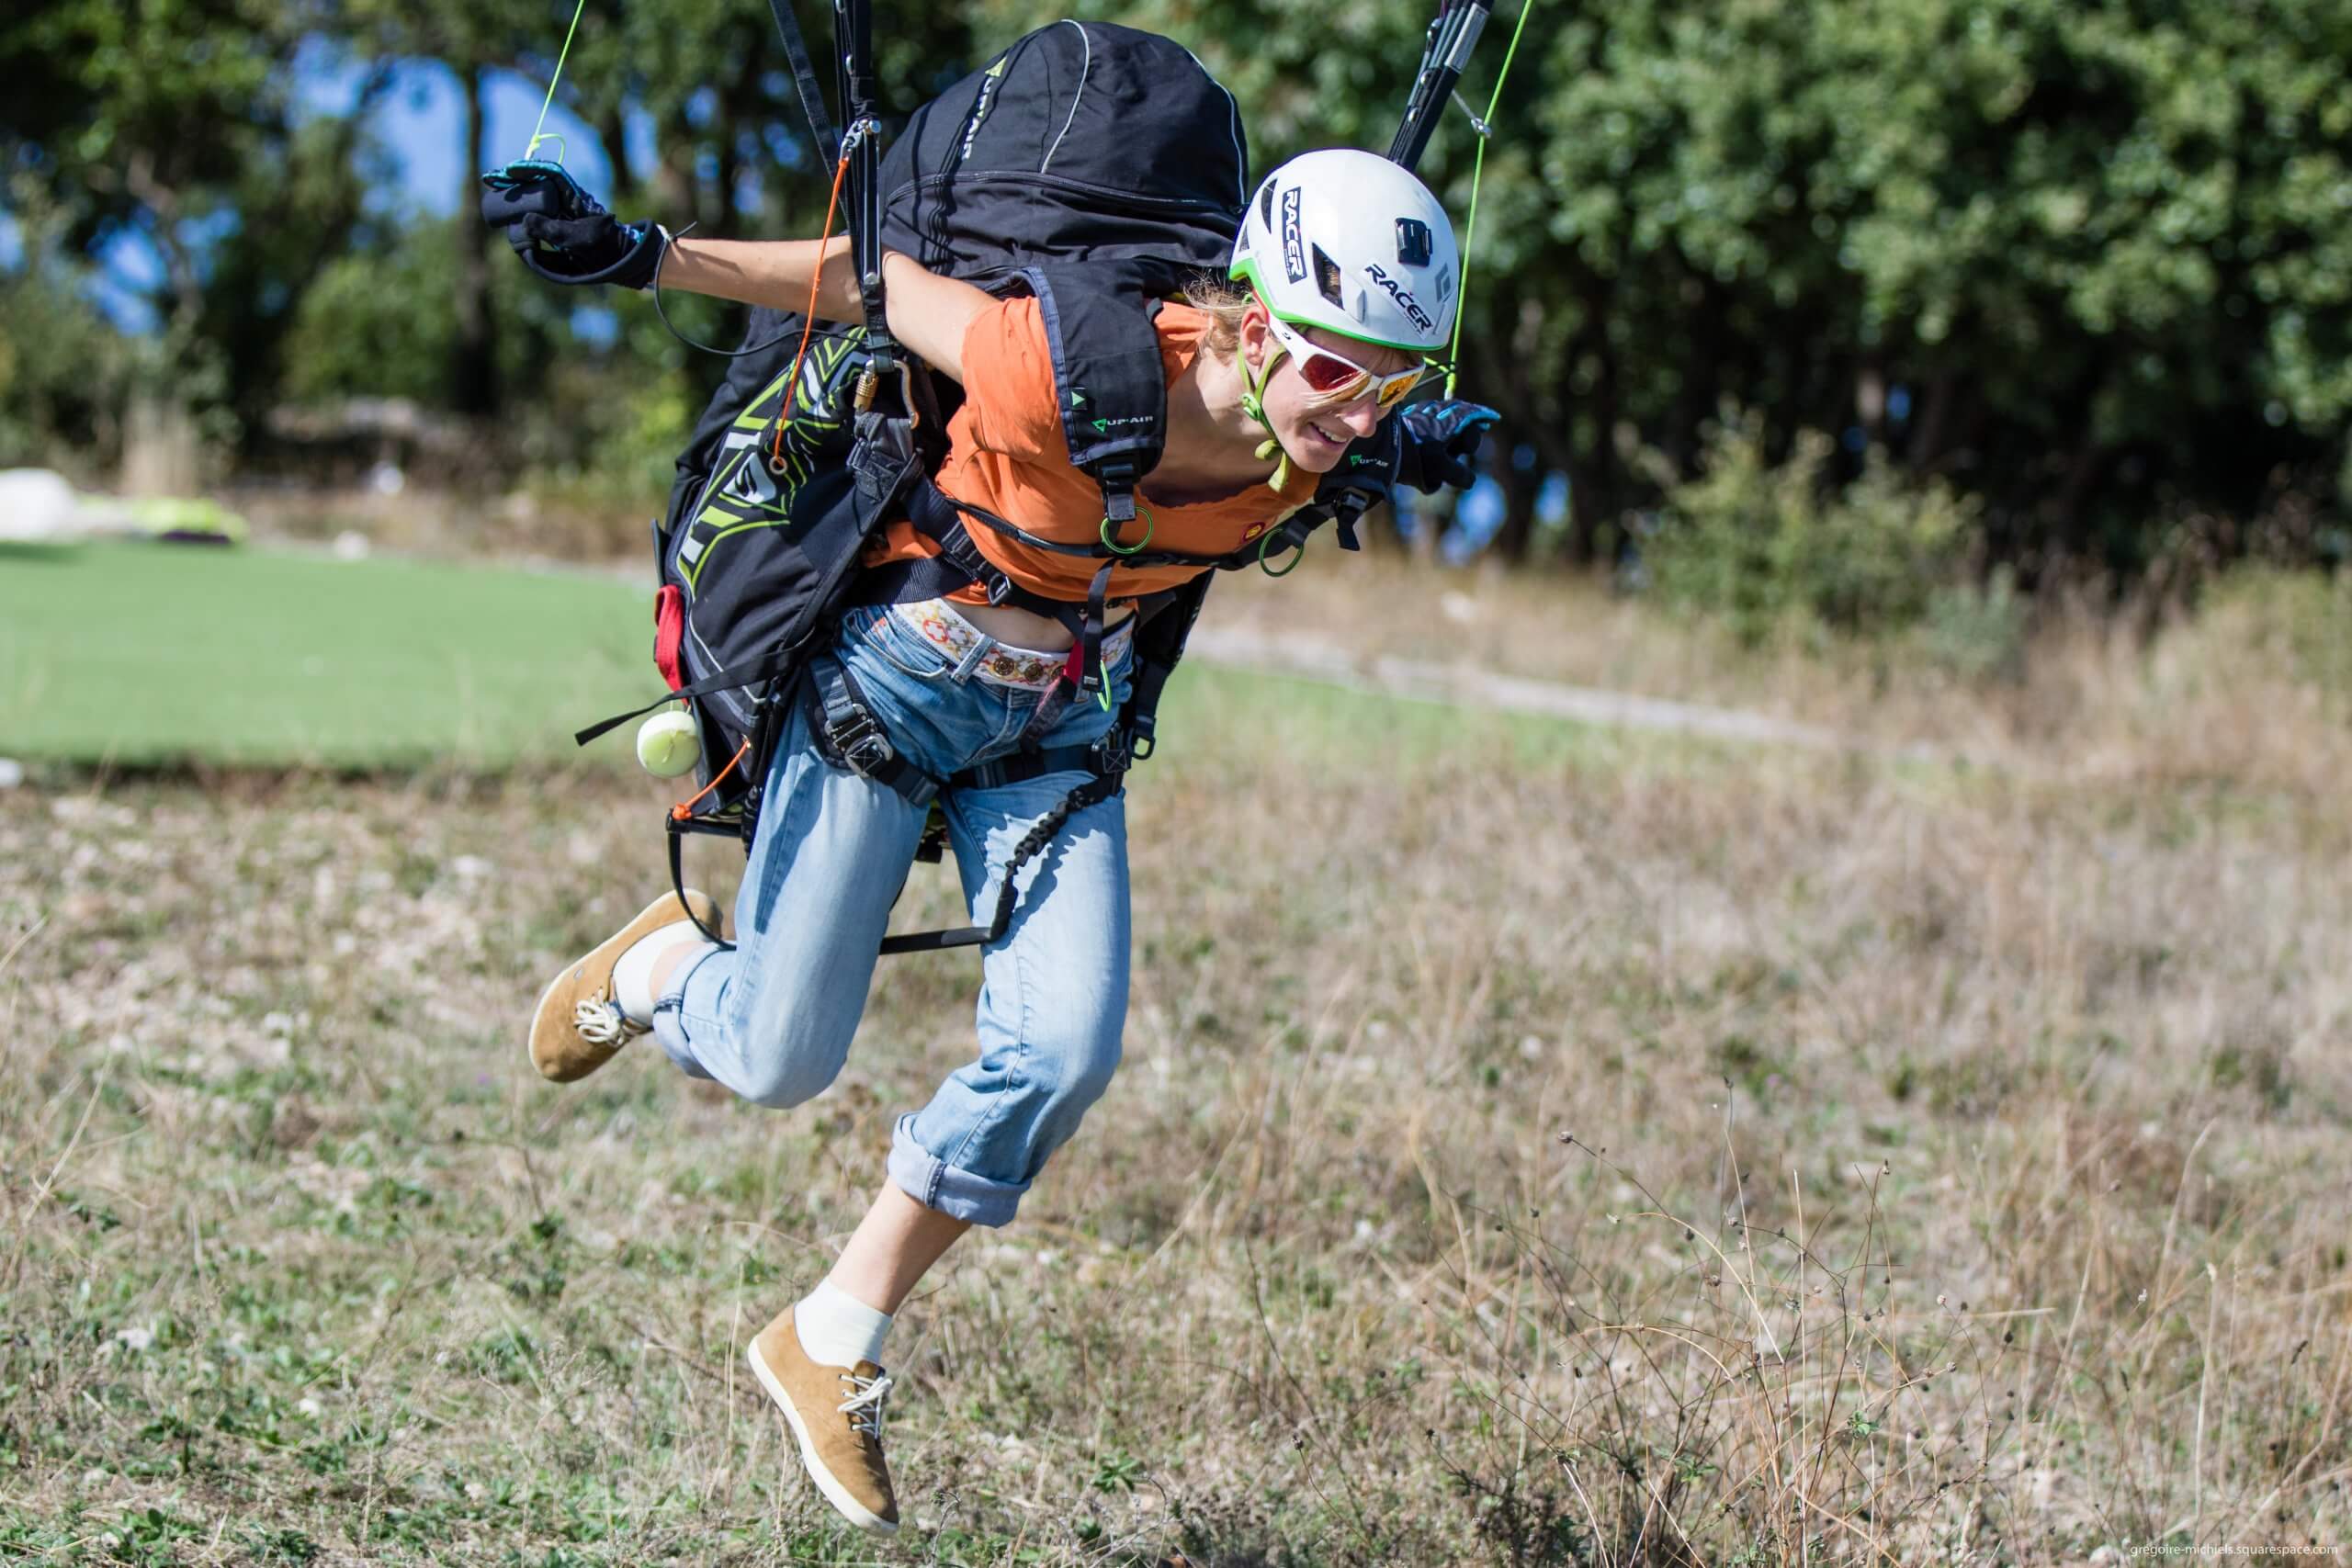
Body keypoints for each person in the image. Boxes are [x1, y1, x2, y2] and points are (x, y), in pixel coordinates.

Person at [493, 146, 1487, 1534]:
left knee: (1067, 1052)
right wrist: (648, 256)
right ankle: (662, 975)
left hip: (1061, 728)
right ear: (1252, 320)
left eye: (1397, 381)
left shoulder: (1318, 434)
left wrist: (1386, 428)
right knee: (782, 1059)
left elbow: (1344, 427)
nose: (1362, 412)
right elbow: (873, 283)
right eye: (1339, 372)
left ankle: (833, 1336)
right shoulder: (1065, 365)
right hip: (892, 688)